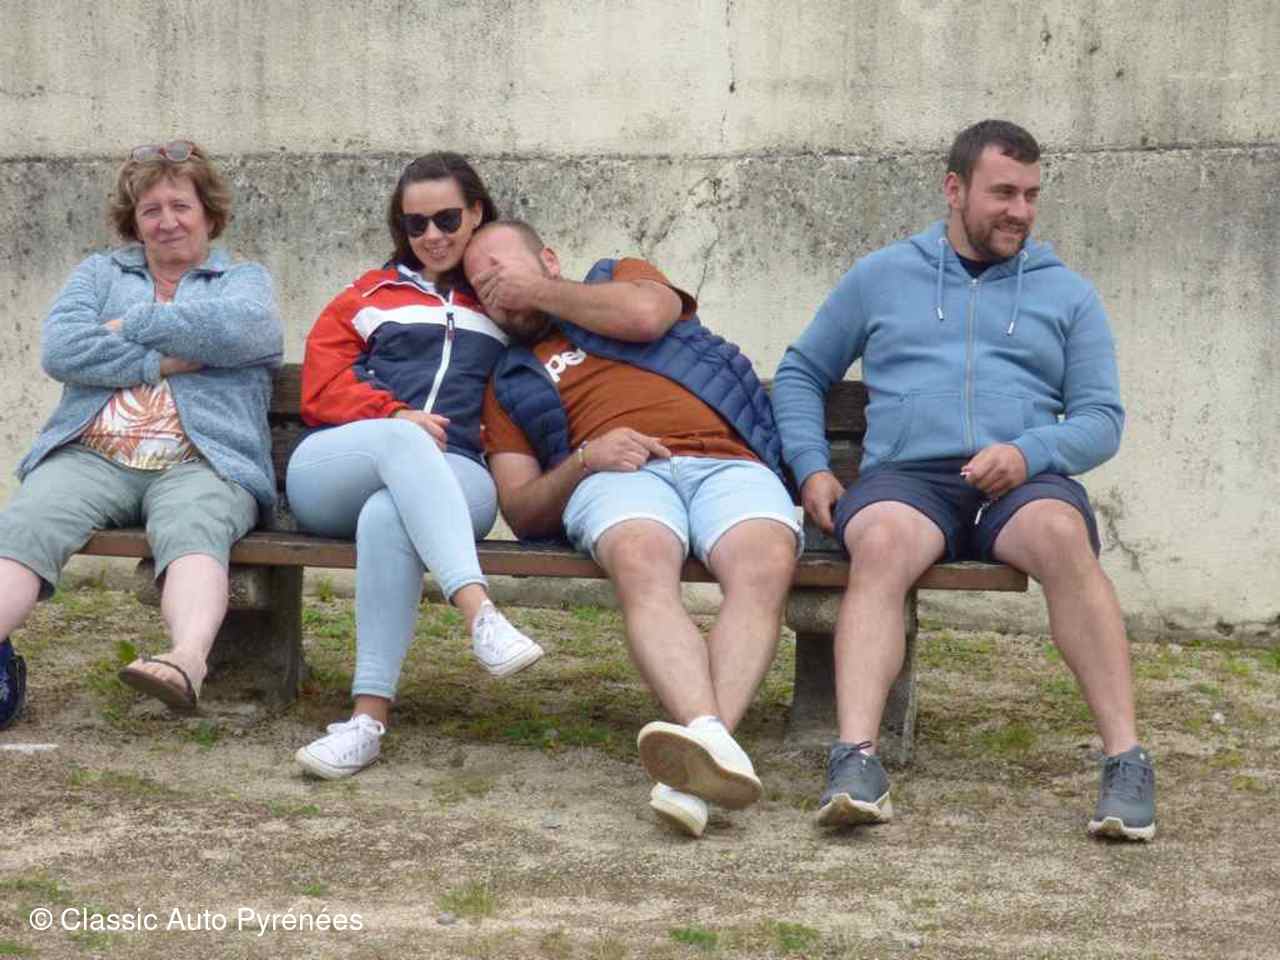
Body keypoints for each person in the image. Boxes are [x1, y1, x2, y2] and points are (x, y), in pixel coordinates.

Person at [772, 119, 1155, 841]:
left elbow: (1101, 419)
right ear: (954, 189)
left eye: (1031, 195)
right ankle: (855, 759)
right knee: (881, 541)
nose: (1020, 210)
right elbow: (801, 372)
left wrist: (1030, 452)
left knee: (1062, 536)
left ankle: (1127, 762)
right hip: (908, 481)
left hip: (1020, 481)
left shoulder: (1068, 294)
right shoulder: (882, 276)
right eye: (1003, 193)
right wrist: (812, 466)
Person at [465, 220, 801, 838]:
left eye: (502, 270)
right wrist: (584, 459)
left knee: (766, 562)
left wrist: (534, 292)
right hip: (617, 473)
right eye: (481, 284)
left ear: (548, 259)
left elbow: (649, 317)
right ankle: (711, 746)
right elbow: (523, 510)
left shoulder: (620, 277)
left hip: (727, 460)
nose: (495, 288)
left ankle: (699, 761)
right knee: (641, 560)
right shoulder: (509, 380)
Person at [0, 140, 282, 725]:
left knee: (195, 527)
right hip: (93, 454)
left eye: (180, 206)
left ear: (208, 214)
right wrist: (162, 360)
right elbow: (62, 349)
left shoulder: (241, 279)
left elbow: (246, 332)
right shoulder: (99, 272)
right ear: (134, 220)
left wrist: (130, 323)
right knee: (28, 522)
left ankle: (185, 662)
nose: (166, 221)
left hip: (203, 459)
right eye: (151, 210)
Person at [288, 153, 543, 780]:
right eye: (415, 224)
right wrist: (393, 413)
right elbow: (321, 387)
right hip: (341, 465)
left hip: (456, 475)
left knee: (389, 514)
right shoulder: (367, 296)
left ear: (476, 212)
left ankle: (365, 723)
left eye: (447, 219)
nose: (432, 235)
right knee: (404, 444)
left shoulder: (499, 305)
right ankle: (480, 614)